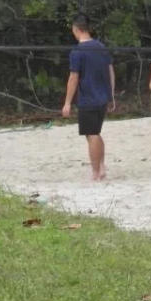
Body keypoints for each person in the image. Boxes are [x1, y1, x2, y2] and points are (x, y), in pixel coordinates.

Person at [62, 13, 115, 181]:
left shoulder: (77, 52)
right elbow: (111, 71)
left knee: (92, 134)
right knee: (95, 133)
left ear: (76, 30)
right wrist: (111, 95)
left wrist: (67, 103)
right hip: (102, 98)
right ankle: (101, 166)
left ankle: (95, 172)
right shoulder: (101, 47)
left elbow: (73, 78)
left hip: (89, 99)